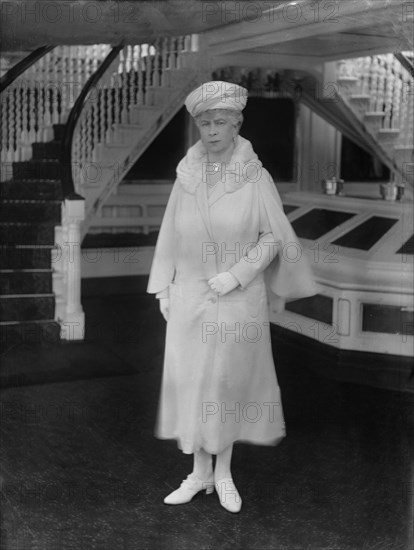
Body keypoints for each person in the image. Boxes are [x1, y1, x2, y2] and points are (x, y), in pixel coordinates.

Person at [147, 81, 316, 513]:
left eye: (220, 121)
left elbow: (272, 237)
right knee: (193, 385)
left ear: (237, 122)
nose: (211, 129)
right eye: (204, 122)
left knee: (226, 385)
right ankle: (198, 474)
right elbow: (170, 232)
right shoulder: (187, 174)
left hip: (237, 299)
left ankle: (222, 475)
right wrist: (164, 286)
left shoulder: (254, 175)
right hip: (190, 295)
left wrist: (237, 275)